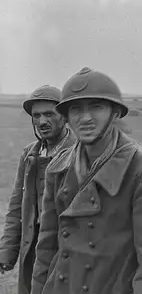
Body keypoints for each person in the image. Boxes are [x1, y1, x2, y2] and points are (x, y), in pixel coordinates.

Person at [30, 67, 142, 294]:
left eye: (96, 107)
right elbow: (46, 250)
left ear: (115, 113)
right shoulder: (58, 168)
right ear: (67, 117)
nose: (86, 118)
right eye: (76, 109)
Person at [0, 86, 76, 294]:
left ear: (65, 116)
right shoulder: (29, 154)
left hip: (65, 250)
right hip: (32, 249)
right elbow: (17, 206)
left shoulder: (80, 153)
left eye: (49, 114)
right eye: (36, 115)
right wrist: (7, 252)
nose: (42, 122)